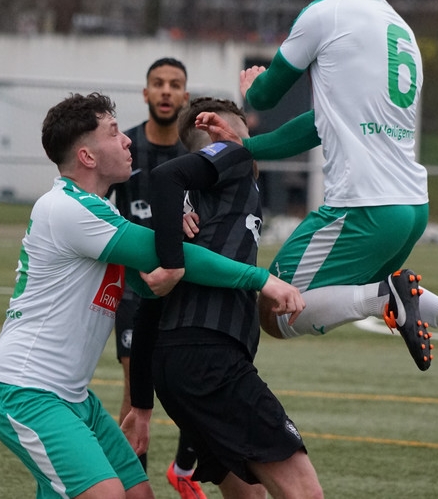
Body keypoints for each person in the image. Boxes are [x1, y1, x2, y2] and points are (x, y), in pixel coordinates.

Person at [197, 0, 438, 370]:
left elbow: (265, 96)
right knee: (358, 288)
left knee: (274, 309)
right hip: (410, 208)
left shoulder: (327, 13)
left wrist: (252, 87)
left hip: (362, 206)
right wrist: (251, 147)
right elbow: (320, 124)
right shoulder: (401, 29)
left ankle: (386, 298)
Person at [0, 92, 304, 499]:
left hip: (73, 398)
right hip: (27, 391)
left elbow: (152, 283)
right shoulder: (66, 208)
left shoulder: (101, 212)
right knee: (108, 496)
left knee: (138, 494)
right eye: (114, 132)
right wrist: (262, 280)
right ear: (87, 157)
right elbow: (166, 258)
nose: (127, 140)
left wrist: (141, 403)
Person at [124, 97, 323, 498]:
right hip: (210, 359)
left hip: (175, 368)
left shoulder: (188, 209)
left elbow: (149, 306)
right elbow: (165, 175)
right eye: (250, 134)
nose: (257, 144)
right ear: (226, 134)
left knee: (250, 495)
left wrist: (141, 405)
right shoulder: (234, 156)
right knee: (305, 492)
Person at [108, 58, 203, 498]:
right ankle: (133, 488)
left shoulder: (196, 155)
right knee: (135, 391)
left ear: (185, 96)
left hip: (185, 290)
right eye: (158, 84)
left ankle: (184, 469)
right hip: (134, 291)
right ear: (146, 93)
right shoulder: (124, 148)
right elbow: (96, 207)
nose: (166, 91)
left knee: (192, 386)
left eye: (175, 84)